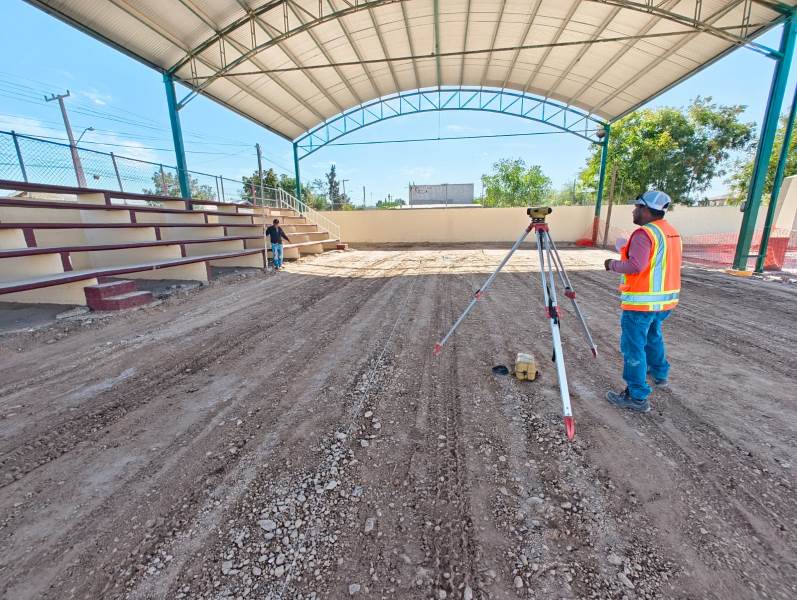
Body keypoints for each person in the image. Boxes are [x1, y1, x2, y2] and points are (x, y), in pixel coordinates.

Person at [604, 190, 682, 413]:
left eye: (636, 207)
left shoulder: (644, 234)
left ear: (646, 210)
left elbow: (635, 266)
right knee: (653, 336)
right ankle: (659, 374)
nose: (634, 211)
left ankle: (637, 396)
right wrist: (624, 248)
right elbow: (656, 262)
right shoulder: (670, 232)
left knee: (633, 347)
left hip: (641, 303)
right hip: (664, 301)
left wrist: (612, 264)